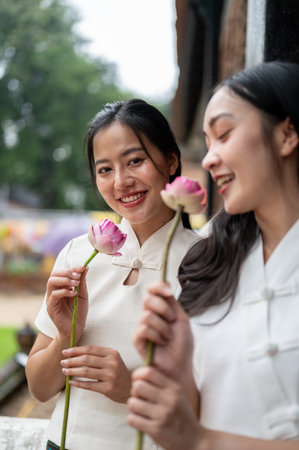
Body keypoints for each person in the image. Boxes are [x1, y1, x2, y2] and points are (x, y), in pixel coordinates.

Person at [128, 61, 299, 450]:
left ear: (287, 134)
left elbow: (197, 437)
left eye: (223, 134)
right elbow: (195, 420)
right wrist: (178, 372)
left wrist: (203, 441)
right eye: (207, 143)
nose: (208, 159)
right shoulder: (208, 261)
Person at [25, 99, 199, 450]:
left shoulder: (207, 261)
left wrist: (131, 387)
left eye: (135, 161)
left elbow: (219, 400)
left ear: (170, 160)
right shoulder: (79, 253)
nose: (121, 182)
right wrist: (64, 336)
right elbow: (40, 388)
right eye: (105, 170)